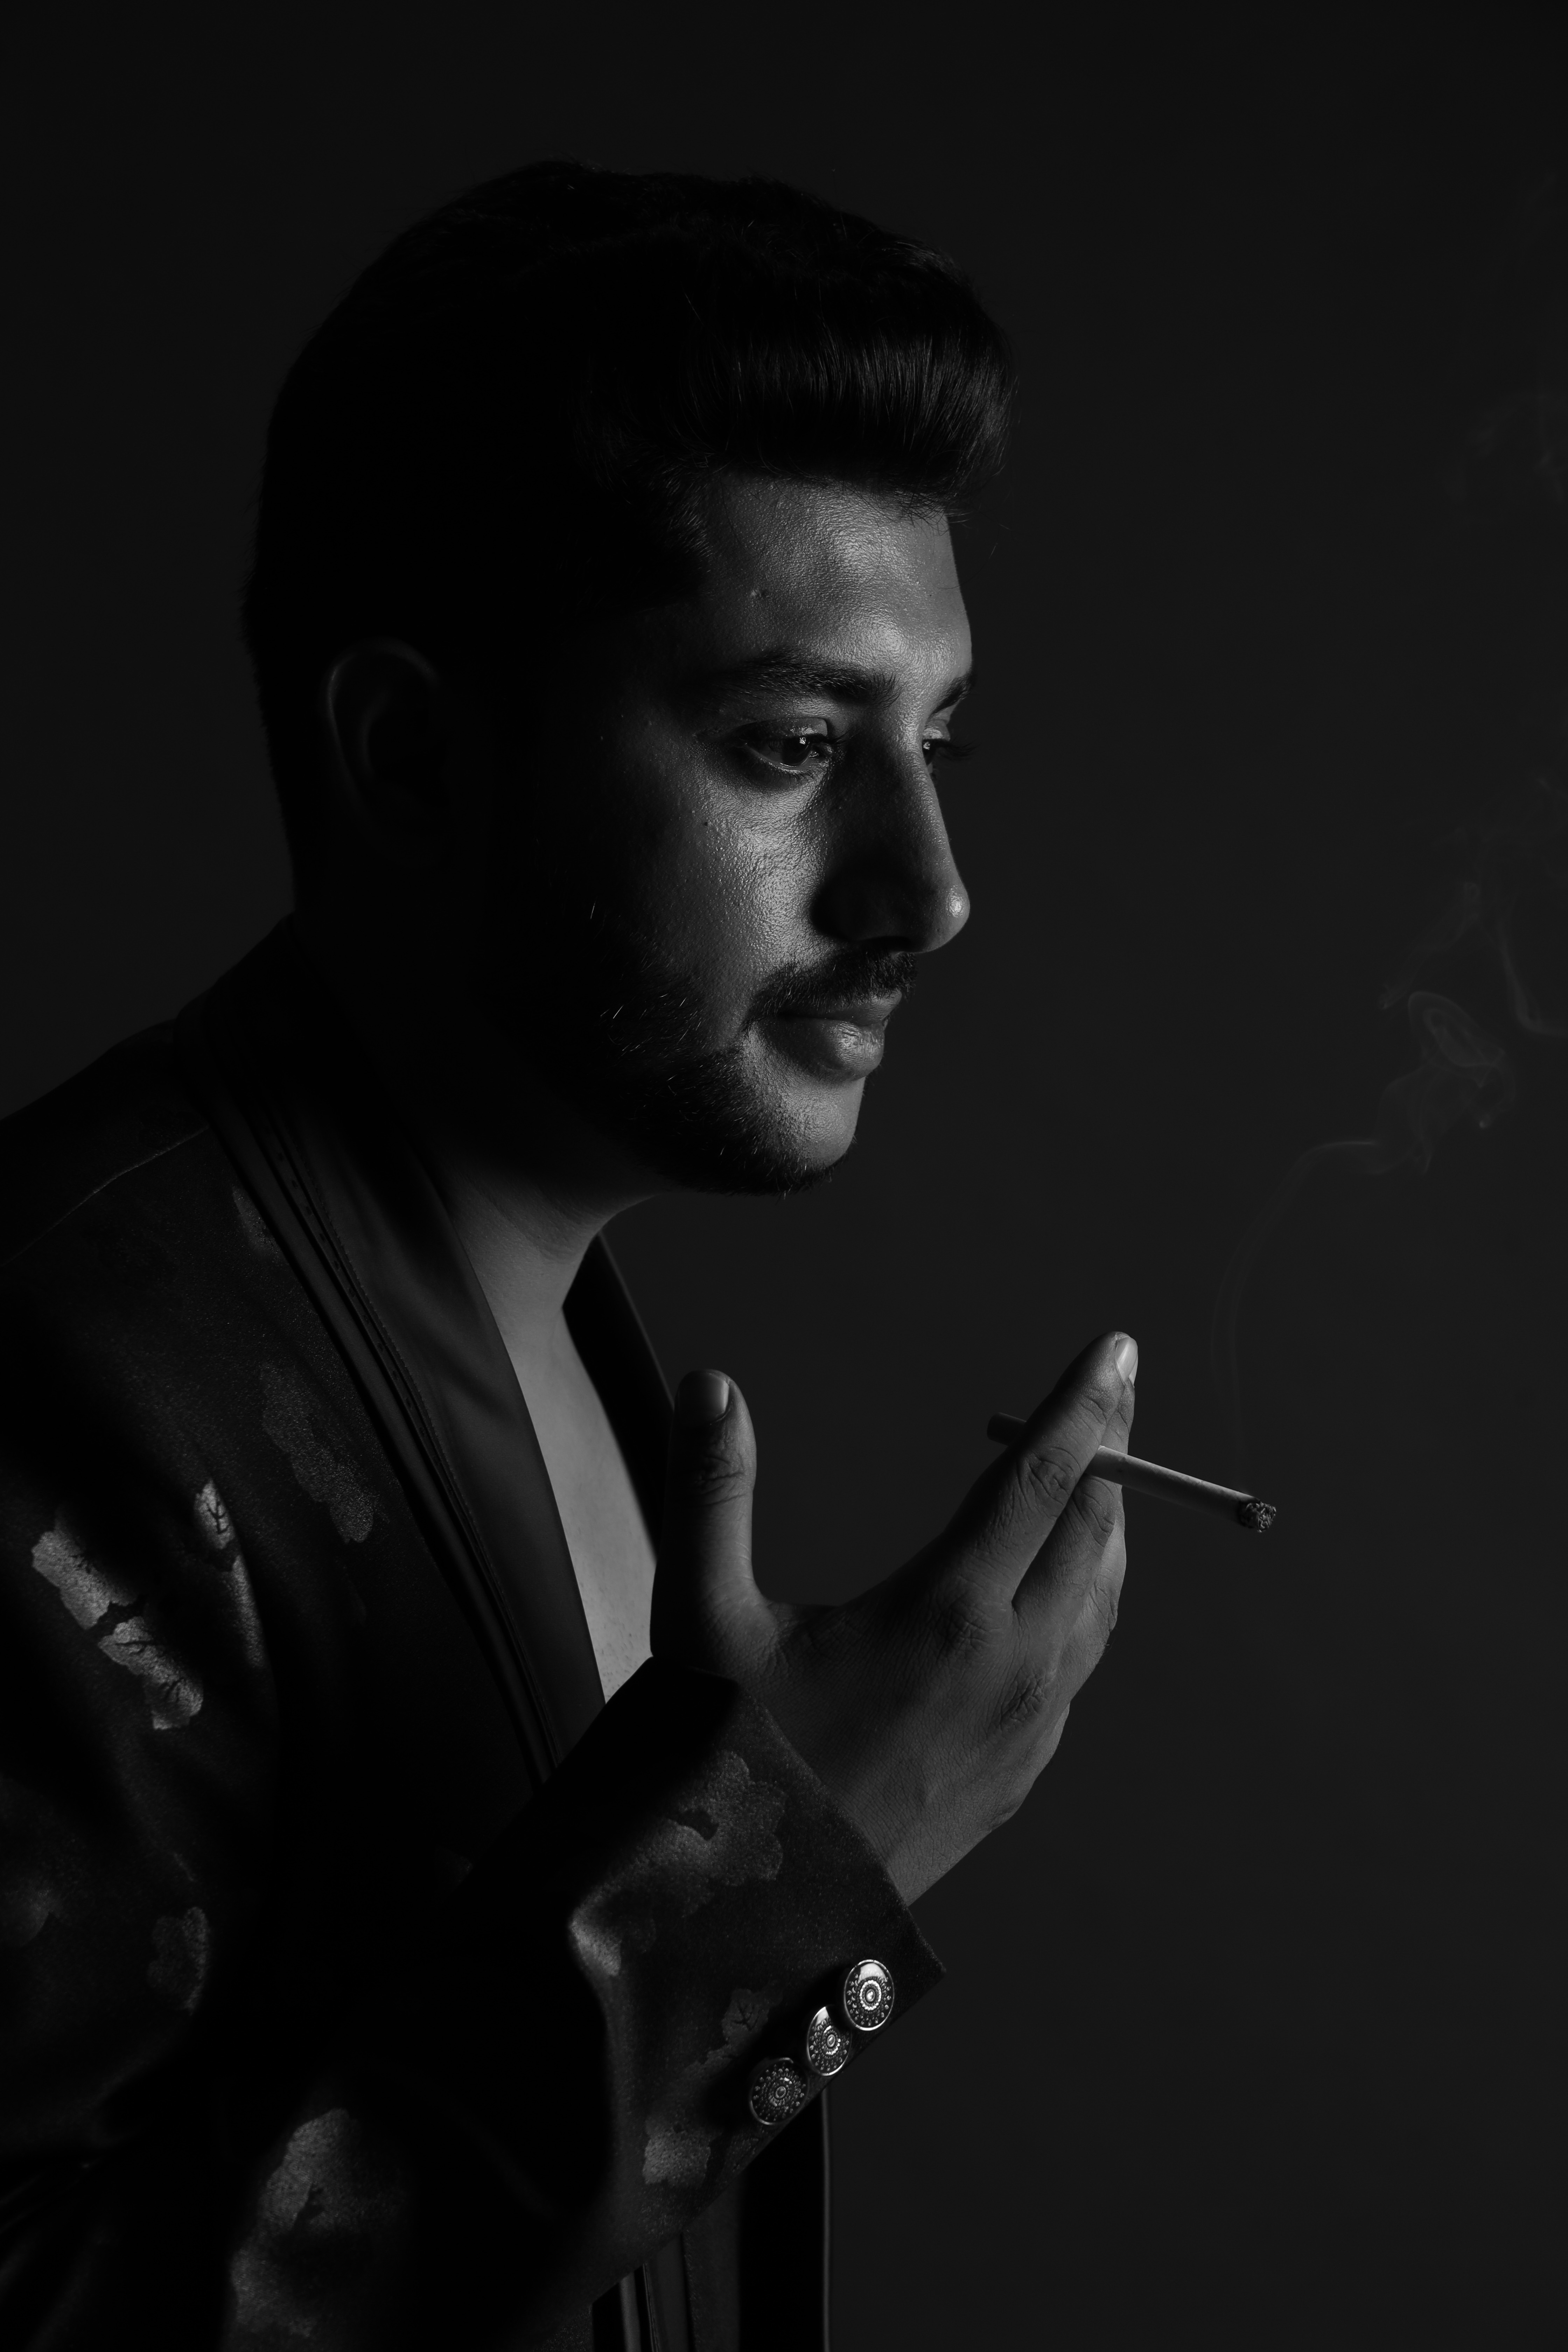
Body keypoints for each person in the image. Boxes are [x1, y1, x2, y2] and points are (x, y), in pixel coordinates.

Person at [0, 162, 1135, 2351]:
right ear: (413, 756)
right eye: (793, 747)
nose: (930, 887)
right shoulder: (67, 1374)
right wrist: (767, 1892)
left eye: (936, 744)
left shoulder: (565, 1337)